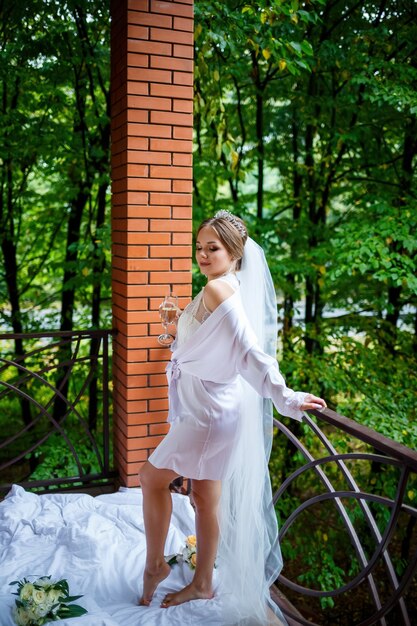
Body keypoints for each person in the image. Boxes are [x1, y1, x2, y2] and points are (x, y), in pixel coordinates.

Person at [138, 211, 326, 624]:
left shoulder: (220, 291)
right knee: (205, 499)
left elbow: (249, 352)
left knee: (150, 478)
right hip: (212, 406)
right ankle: (203, 581)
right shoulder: (223, 286)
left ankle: (156, 566)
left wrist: (286, 397)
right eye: (200, 247)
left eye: (213, 248)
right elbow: (214, 342)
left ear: (234, 252)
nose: (203, 255)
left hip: (206, 415)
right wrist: (177, 334)